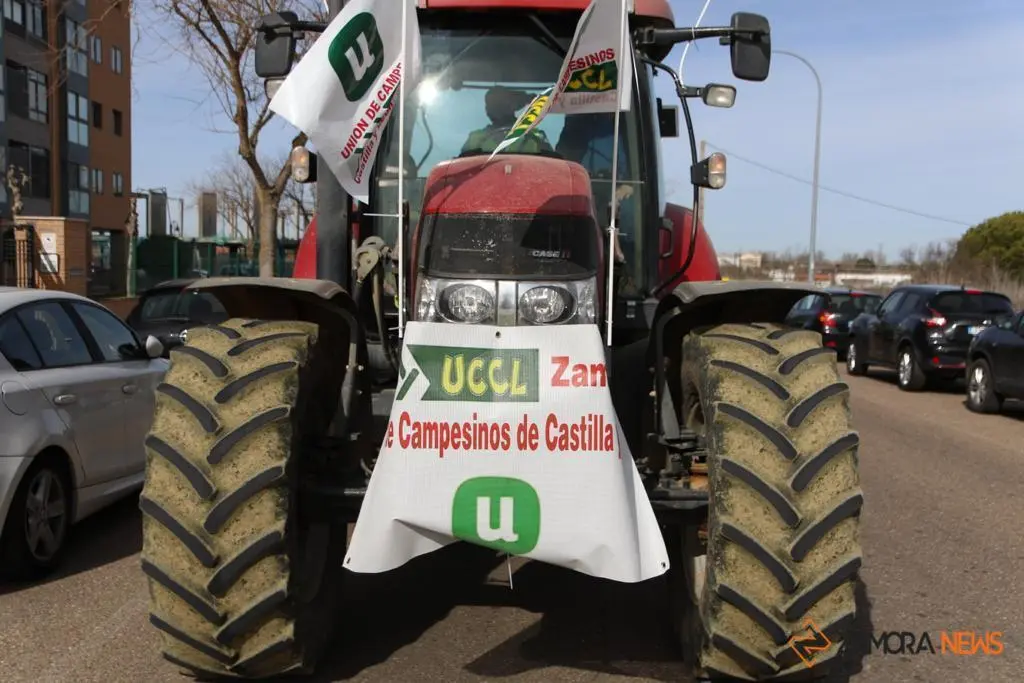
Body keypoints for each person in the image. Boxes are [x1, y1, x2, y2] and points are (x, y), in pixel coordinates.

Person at [461, 86, 555, 155]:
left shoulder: (536, 138)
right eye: (493, 104)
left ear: (513, 106)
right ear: (487, 109)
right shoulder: (473, 141)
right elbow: (460, 171)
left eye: (501, 103)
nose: (498, 108)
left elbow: (554, 169)